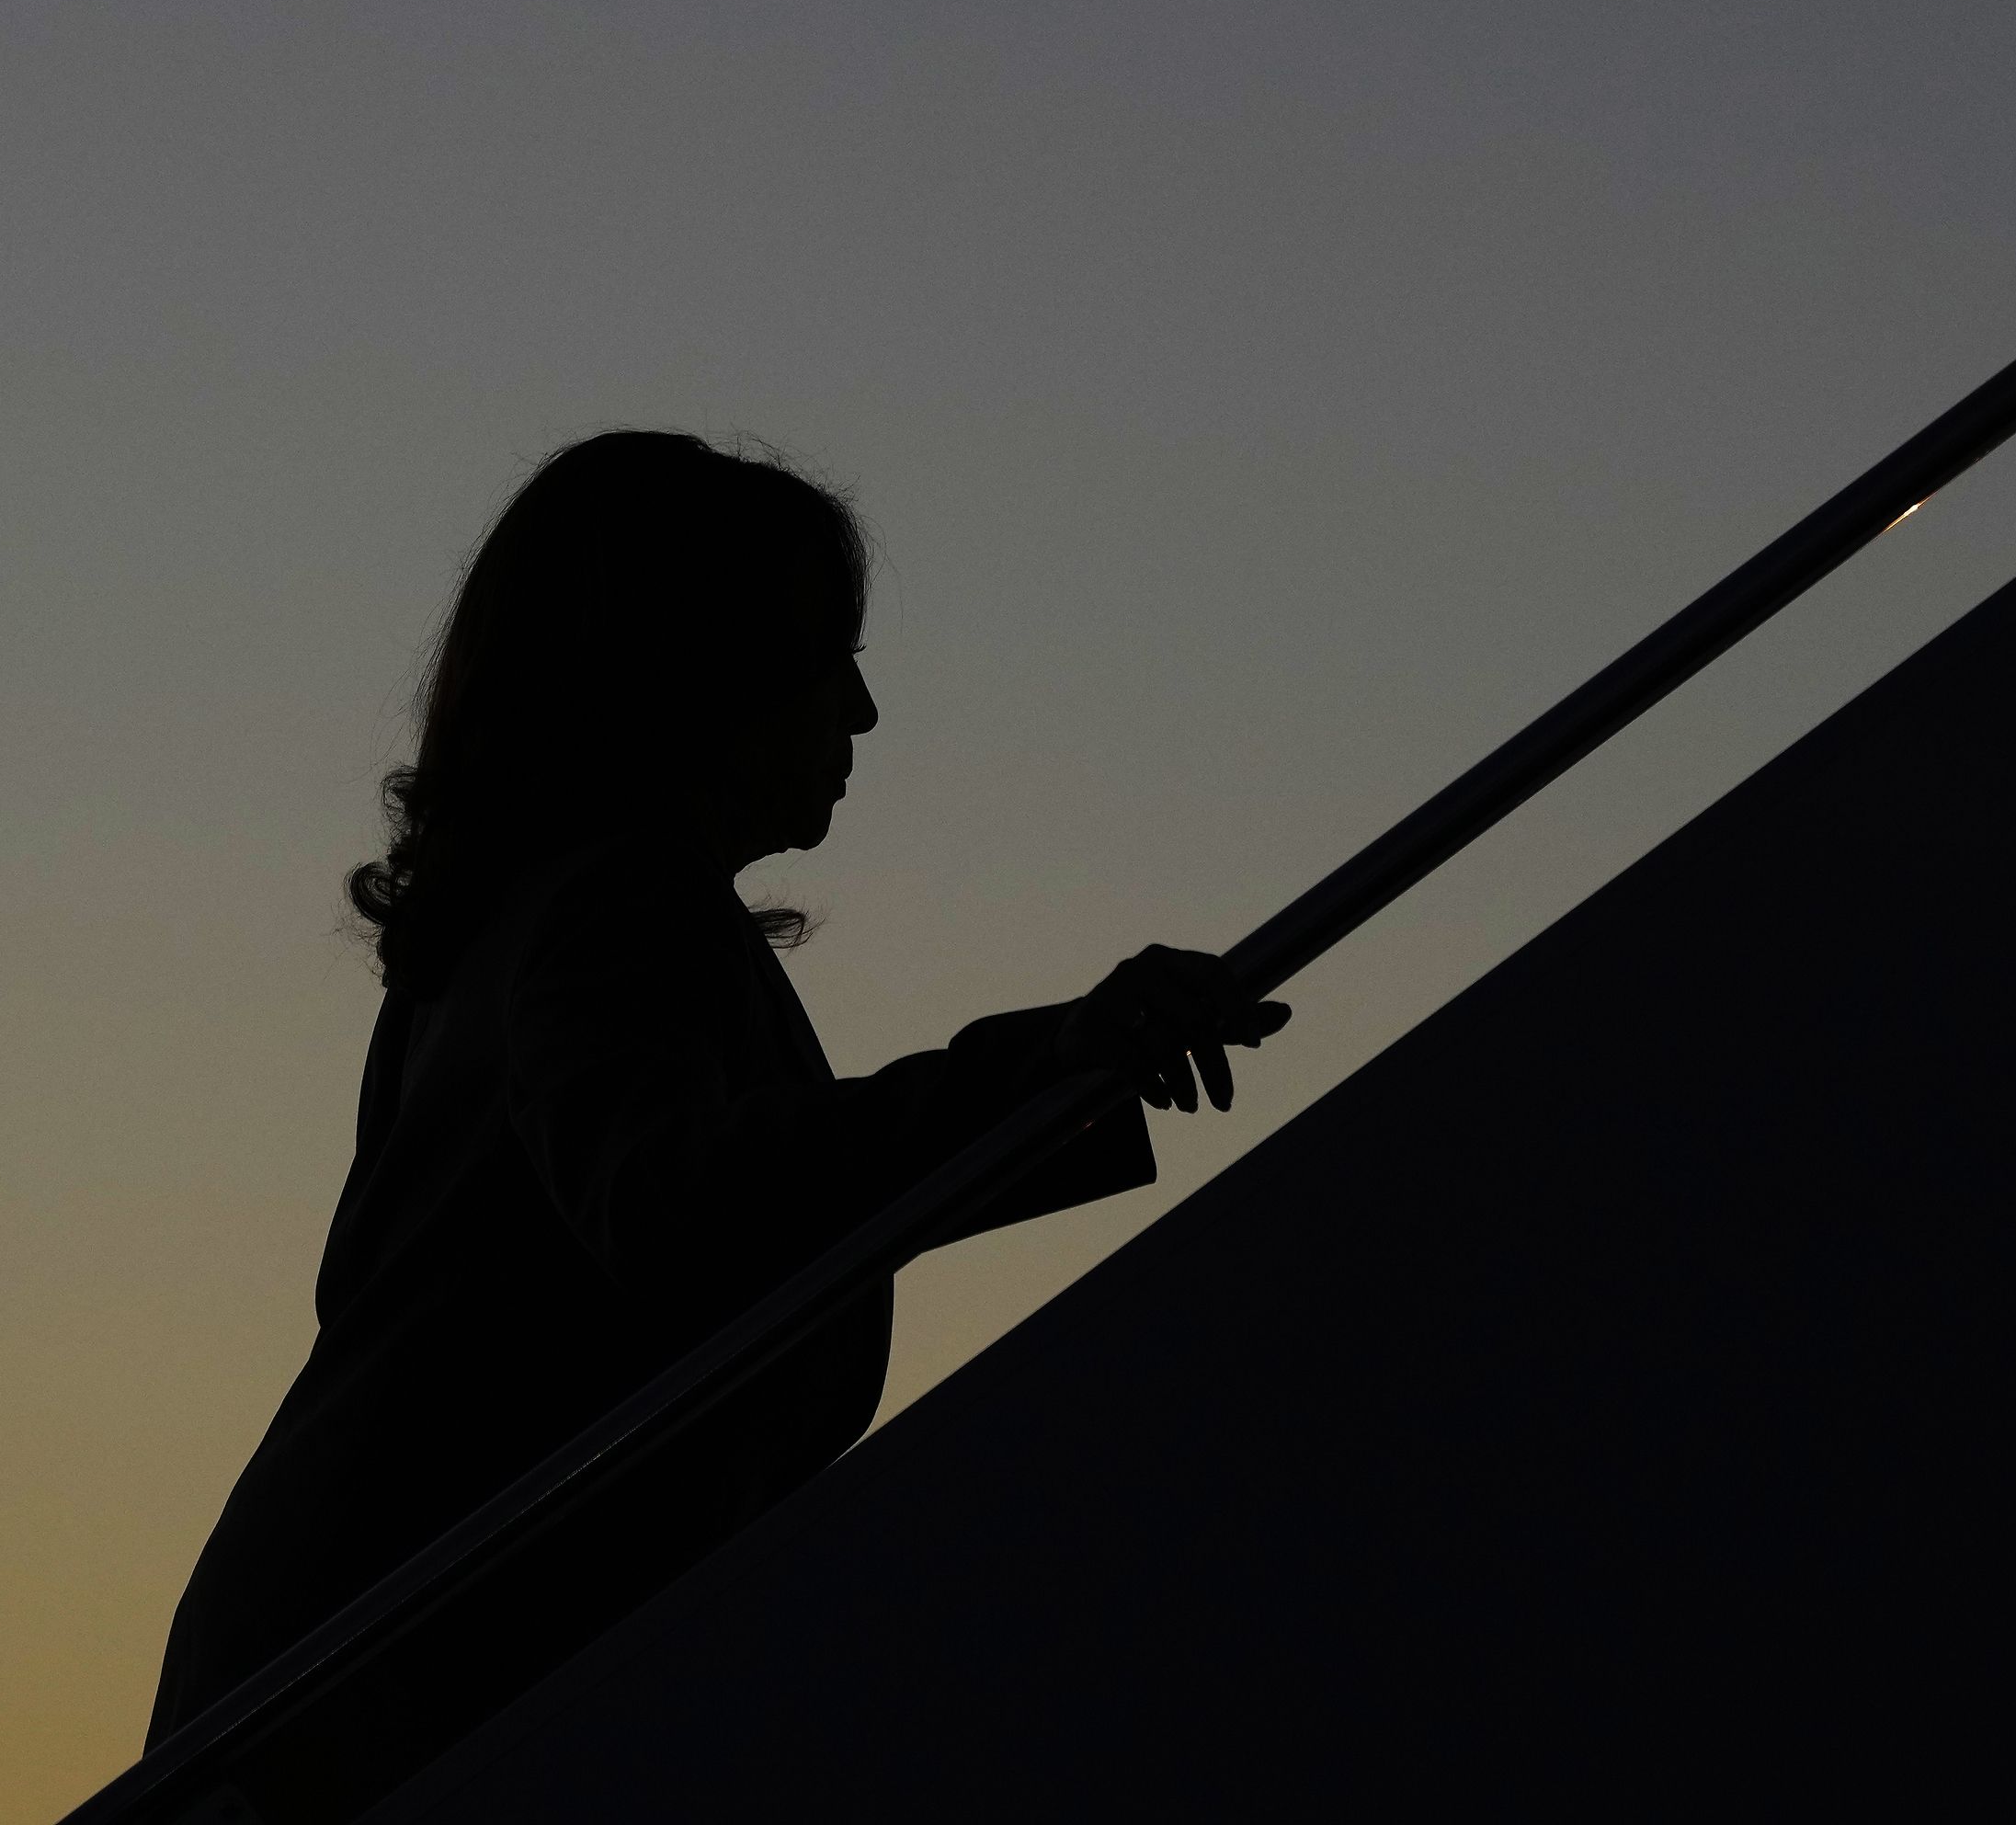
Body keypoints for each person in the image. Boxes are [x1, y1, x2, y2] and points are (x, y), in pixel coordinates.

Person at [147, 429, 1289, 1785]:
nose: (860, 712)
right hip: (395, 1686)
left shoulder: (518, 928)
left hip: (350, 1668)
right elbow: (677, 1204)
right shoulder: (609, 903)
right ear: (690, 668)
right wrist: (1045, 1069)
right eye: (825, 654)